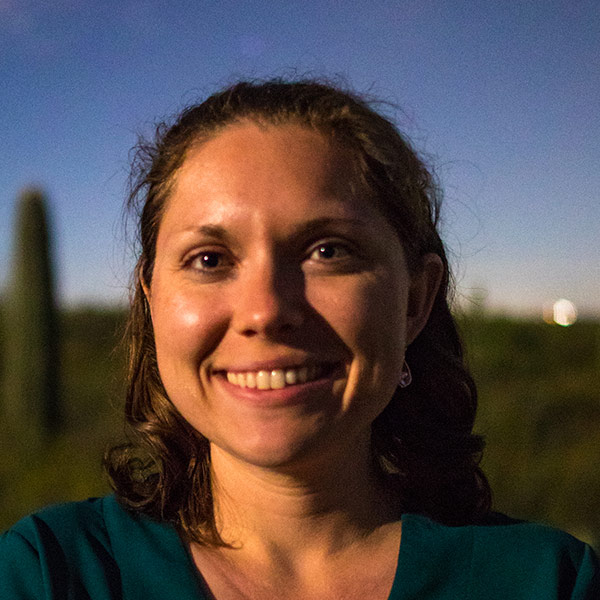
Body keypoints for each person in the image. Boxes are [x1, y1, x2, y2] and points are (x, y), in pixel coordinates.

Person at [1, 79, 597, 599]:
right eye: (209, 259)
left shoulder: (547, 581)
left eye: (328, 251)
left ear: (415, 301)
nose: (265, 311)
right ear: (152, 300)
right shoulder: (52, 573)